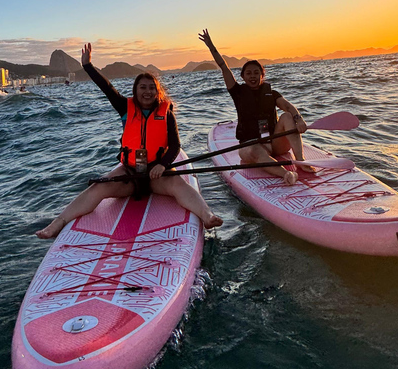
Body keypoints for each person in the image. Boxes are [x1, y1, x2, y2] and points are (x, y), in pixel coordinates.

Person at [36, 43, 223, 239]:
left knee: (179, 186)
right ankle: (59, 222)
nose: (148, 91)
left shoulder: (166, 114)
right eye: (143, 87)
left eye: (152, 88)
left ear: (158, 92)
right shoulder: (125, 107)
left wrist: (162, 165)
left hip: (157, 175)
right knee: (99, 187)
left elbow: (175, 145)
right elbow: (106, 88)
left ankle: (207, 215)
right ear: (135, 90)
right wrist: (88, 66)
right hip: (130, 174)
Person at [199, 28, 313, 185]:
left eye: (256, 73)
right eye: (248, 73)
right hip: (251, 145)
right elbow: (223, 66)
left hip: (275, 143)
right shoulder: (238, 92)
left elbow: (287, 106)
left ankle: (300, 160)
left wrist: (298, 119)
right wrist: (211, 46)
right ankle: (286, 174)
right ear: (243, 77)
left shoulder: (271, 94)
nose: (252, 76)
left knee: (287, 116)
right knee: (253, 150)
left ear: (262, 75)